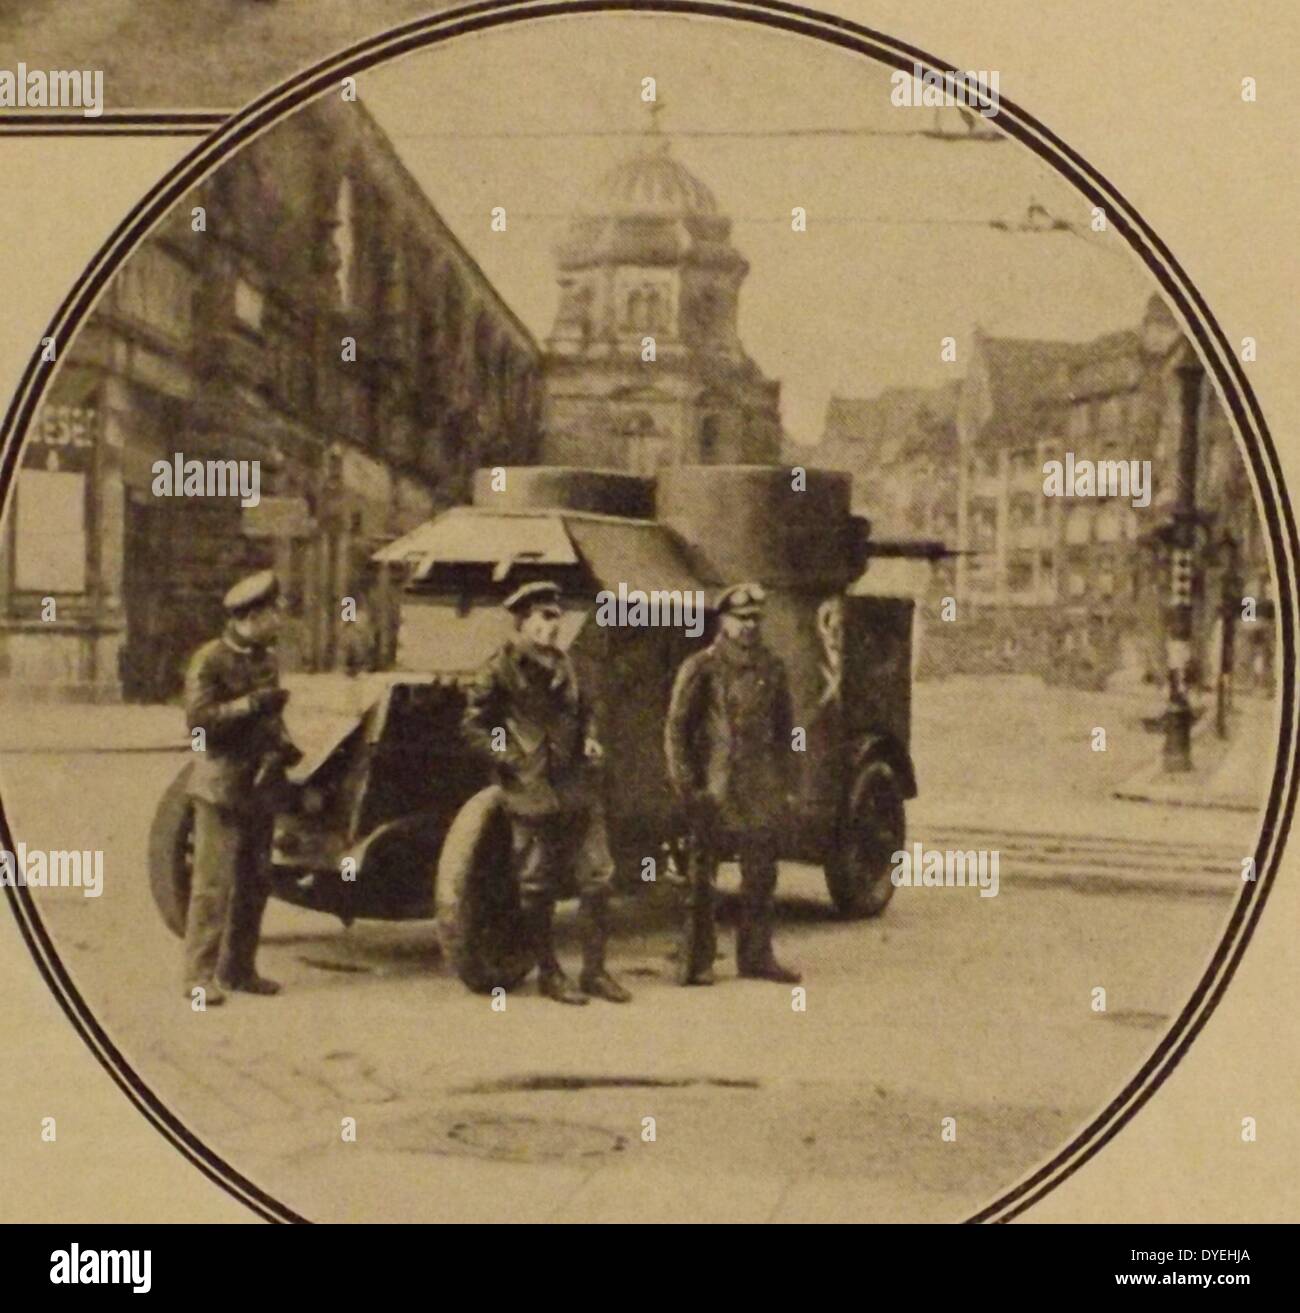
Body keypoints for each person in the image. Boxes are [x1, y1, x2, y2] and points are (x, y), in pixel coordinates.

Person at [462, 581, 631, 1005]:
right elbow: (475, 726)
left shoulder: (567, 665)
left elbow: (588, 708)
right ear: (524, 621)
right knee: (537, 884)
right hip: (532, 788)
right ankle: (549, 973)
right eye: (544, 619)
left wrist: (591, 738)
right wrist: (511, 758)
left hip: (575, 785)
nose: (552, 628)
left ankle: (595, 971)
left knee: (598, 876)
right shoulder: (499, 669)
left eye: (557, 619)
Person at [665, 581, 802, 986]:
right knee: (701, 879)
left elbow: (786, 732)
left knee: (760, 876)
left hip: (758, 787)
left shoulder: (772, 669)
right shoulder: (701, 667)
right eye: (740, 619)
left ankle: (757, 957)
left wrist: (788, 782)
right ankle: (696, 961)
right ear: (722, 621)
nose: (748, 627)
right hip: (714, 787)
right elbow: (676, 729)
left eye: (754, 619)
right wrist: (686, 786)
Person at [181, 569, 299, 1004]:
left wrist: (283, 745)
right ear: (252, 615)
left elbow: (271, 719)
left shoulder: (265, 658)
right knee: (212, 885)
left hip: (259, 784)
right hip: (222, 784)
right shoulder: (209, 659)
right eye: (273, 612)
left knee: (255, 881)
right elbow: (199, 723)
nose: (280, 618)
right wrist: (250, 705)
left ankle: (238, 970)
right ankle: (197, 978)